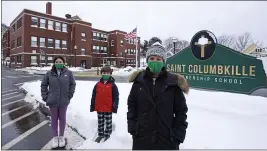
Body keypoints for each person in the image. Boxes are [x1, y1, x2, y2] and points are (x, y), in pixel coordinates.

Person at [127, 42, 189, 150]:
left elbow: (181, 111)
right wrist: (133, 128)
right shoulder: (138, 81)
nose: (155, 61)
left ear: (163, 61)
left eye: (158, 59)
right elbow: (132, 106)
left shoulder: (173, 83)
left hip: (167, 141)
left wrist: (177, 135)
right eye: (152, 58)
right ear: (147, 60)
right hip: (141, 140)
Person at [41, 56, 76, 148]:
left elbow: (73, 84)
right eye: (56, 62)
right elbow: (44, 85)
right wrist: (45, 97)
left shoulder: (68, 73)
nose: (58, 63)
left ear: (64, 63)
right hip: (52, 101)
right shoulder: (49, 73)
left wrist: (70, 95)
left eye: (60, 61)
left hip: (64, 100)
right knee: (54, 119)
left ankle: (61, 137)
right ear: (54, 63)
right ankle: (55, 137)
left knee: (62, 119)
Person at [90, 65, 119, 143]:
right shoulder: (97, 84)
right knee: (100, 122)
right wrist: (92, 105)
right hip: (99, 107)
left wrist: (115, 106)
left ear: (110, 74)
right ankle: (100, 135)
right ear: (101, 73)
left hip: (108, 108)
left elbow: (116, 97)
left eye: (107, 73)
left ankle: (107, 135)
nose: (105, 74)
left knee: (108, 122)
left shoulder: (113, 85)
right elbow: (94, 95)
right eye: (104, 73)